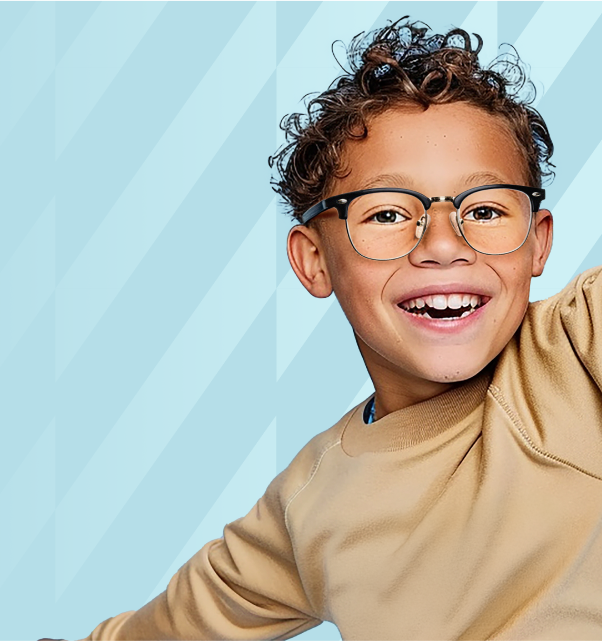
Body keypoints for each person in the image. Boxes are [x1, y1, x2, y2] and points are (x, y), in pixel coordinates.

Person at [45, 17, 602, 641]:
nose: (444, 244)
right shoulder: (310, 502)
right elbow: (174, 627)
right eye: (388, 213)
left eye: (487, 209)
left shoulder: (577, 347)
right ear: (314, 260)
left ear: (538, 242)